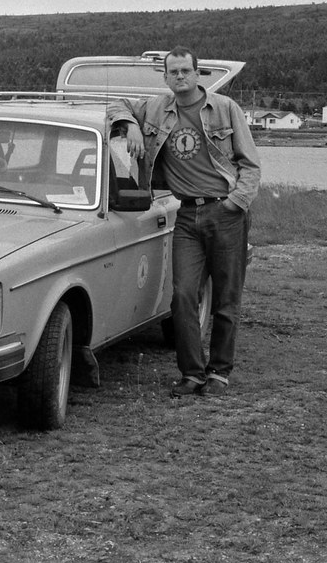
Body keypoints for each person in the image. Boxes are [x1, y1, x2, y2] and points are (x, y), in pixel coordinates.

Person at [108, 46, 261, 397]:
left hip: (226, 212)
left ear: (197, 74)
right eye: (173, 72)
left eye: (185, 71)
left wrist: (235, 204)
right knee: (182, 296)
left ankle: (219, 373)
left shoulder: (225, 109)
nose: (180, 77)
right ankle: (192, 373)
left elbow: (251, 165)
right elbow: (117, 104)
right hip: (187, 214)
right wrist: (129, 125)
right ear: (165, 77)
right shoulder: (157, 108)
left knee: (226, 298)